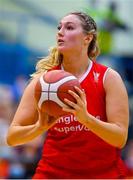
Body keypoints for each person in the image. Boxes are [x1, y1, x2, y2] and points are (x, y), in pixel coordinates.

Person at [6, 11, 129, 179]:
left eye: (69, 27)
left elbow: (120, 138)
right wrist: (39, 127)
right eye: (59, 27)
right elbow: (12, 137)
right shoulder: (42, 82)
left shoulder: (108, 78)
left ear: (88, 38)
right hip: (52, 173)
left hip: (102, 175)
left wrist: (86, 118)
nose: (60, 31)